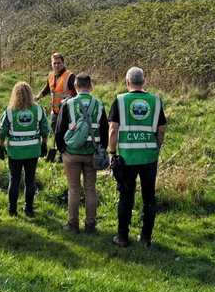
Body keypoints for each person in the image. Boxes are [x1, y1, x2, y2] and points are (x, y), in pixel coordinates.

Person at [108, 67, 166, 247]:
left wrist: (111, 152)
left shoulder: (120, 100)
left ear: (127, 82)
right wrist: (157, 146)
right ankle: (146, 237)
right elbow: (161, 129)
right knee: (149, 197)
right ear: (143, 81)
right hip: (149, 157)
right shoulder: (155, 101)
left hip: (127, 158)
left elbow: (113, 129)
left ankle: (122, 237)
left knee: (126, 197)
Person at [55, 73, 108, 234]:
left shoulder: (68, 104)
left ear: (76, 86)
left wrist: (62, 149)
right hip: (92, 153)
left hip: (72, 153)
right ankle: (90, 225)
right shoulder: (99, 105)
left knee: (74, 189)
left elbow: (59, 129)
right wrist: (101, 148)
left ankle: (73, 224)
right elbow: (104, 130)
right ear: (90, 86)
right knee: (90, 189)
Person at [0, 81, 49, 217]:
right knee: (30, 180)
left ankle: (12, 210)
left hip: (15, 151)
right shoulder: (38, 110)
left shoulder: (10, 111)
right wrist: (44, 144)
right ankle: (28, 209)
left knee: (14, 180)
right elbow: (45, 129)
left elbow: (2, 130)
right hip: (33, 150)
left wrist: (1, 146)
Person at [38, 53, 77, 156]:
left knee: (65, 133)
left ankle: (65, 154)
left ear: (63, 63)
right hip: (55, 112)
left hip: (67, 112)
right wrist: (38, 96)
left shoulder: (70, 76)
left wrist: (67, 99)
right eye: (54, 63)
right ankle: (60, 152)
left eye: (58, 63)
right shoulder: (51, 75)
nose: (56, 65)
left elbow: (76, 91)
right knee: (56, 133)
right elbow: (47, 88)